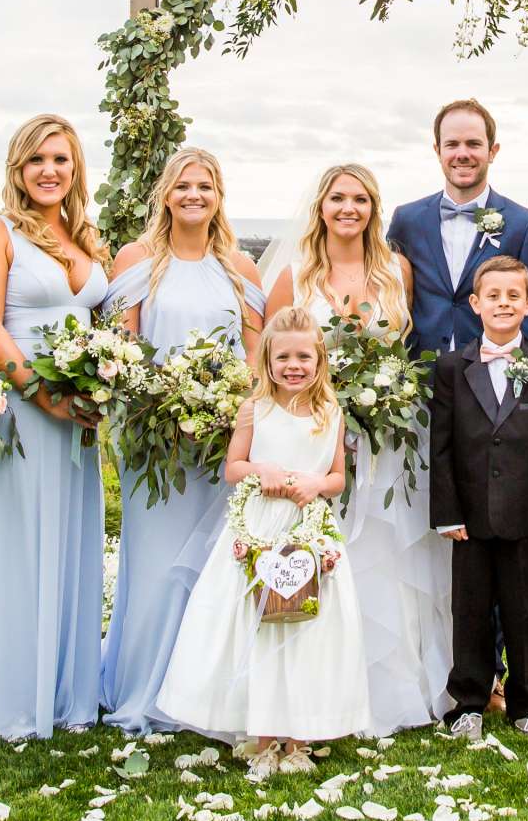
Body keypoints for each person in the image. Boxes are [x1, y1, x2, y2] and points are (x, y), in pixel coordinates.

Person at [263, 162, 445, 736]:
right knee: (322, 548)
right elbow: (269, 362)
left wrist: (382, 399)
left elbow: (405, 348)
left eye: (361, 199)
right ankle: (311, 690)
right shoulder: (296, 274)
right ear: (320, 206)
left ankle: (387, 692)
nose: (349, 208)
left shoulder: (397, 270)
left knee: (387, 557)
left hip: (391, 436)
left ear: (374, 209)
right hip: (315, 438)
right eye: (338, 198)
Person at [155, 307, 371, 774]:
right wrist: (263, 472)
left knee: (303, 628)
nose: (294, 366)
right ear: (267, 361)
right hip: (258, 529)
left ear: (319, 362)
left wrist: (316, 485)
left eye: (304, 358)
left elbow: (337, 477)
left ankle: (298, 738)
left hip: (308, 531)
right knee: (257, 625)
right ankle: (263, 735)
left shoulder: (330, 413)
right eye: (283, 358)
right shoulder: (255, 409)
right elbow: (234, 468)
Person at [99, 147, 266, 734]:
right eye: (184, 186)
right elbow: (126, 351)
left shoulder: (240, 269)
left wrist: (232, 416)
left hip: (221, 445)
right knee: (155, 562)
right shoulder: (139, 259)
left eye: (206, 186)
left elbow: (254, 358)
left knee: (212, 566)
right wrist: (163, 407)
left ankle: (206, 695)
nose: (194, 195)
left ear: (219, 197)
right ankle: (143, 687)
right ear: (165, 194)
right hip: (154, 442)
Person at [0, 114, 113, 737]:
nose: (50, 172)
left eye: (62, 161)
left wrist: (101, 381)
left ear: (76, 171)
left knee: (71, 543)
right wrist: (38, 392)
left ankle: (69, 696)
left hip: (76, 412)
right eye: (37, 161)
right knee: (22, 547)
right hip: (24, 410)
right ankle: (17, 698)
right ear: (17, 170)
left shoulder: (87, 236)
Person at [430, 256, 528, 740]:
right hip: (468, 516)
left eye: (514, 295)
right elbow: (442, 445)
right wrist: (446, 511)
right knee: (468, 610)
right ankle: (468, 701)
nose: (503, 303)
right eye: (493, 296)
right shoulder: (451, 367)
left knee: (523, 610)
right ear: (475, 304)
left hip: (527, 519)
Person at [388, 98, 528, 357]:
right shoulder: (406, 220)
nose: (462, 154)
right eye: (452, 144)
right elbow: (391, 300)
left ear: (492, 151)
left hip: (494, 381)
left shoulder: (526, 225)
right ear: (437, 150)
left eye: (473, 144)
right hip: (419, 380)